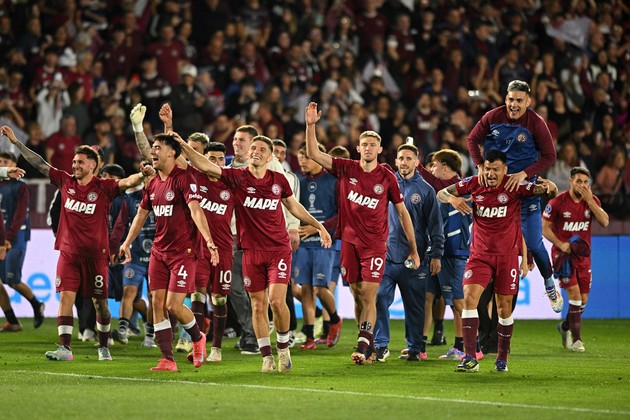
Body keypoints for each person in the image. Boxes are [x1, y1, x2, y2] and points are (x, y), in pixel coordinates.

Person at [175, 133, 332, 373]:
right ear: (248, 154)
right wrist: (182, 144)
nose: (257, 152)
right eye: (254, 148)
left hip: (278, 250)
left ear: (270, 157)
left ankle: (283, 348)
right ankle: (266, 356)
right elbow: (204, 165)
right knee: (258, 306)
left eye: (262, 149)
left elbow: (294, 206)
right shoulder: (237, 177)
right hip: (250, 251)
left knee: (276, 301)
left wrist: (319, 226)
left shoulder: (278, 180)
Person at [0, 125, 152, 362]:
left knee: (100, 304)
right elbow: (40, 163)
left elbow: (126, 181)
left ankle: (103, 346)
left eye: (80, 162)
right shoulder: (65, 181)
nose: (75, 165)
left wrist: (142, 175)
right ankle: (65, 348)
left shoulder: (104, 187)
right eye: (73, 161)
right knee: (66, 298)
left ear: (92, 165)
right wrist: (16, 142)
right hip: (69, 254)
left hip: (96, 256)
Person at [305, 102, 420, 365]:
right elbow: (313, 153)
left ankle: (363, 346)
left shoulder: (387, 177)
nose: (368, 148)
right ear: (358, 148)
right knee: (357, 294)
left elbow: (403, 213)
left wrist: (413, 248)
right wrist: (311, 125)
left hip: (375, 245)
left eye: (372, 145)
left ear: (380, 149)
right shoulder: (346, 168)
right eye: (364, 144)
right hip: (349, 243)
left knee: (369, 294)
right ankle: (368, 344)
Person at [437, 150, 558, 372]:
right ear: (481, 168)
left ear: (505, 170)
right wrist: (453, 199)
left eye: (495, 169)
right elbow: (441, 193)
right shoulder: (473, 183)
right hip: (479, 255)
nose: (490, 174)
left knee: (504, 309)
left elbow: (548, 191)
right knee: (469, 298)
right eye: (487, 169)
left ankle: (502, 357)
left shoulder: (515, 185)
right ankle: (470, 357)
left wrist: (552, 187)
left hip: (506, 257)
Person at [119, 133, 218, 372]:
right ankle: (167, 359)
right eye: (152, 147)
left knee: (174, 306)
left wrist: (209, 240)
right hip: (159, 252)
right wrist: (127, 242)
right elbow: (141, 215)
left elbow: (196, 210)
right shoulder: (153, 183)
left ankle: (198, 338)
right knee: (157, 303)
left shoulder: (184, 179)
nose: (152, 151)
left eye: (158, 148)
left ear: (172, 153)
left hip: (183, 252)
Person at [466, 80, 562, 313]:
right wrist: (480, 165)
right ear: (505, 99)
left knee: (534, 243)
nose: (514, 104)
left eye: (519, 100)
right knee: (481, 240)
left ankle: (549, 283)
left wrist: (524, 174)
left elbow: (549, 156)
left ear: (528, 101)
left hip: (523, 191)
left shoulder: (535, 123)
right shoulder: (492, 117)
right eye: (510, 99)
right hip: (495, 192)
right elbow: (472, 140)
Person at [374, 142, 444, 362]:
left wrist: (436, 254)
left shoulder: (426, 190)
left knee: (414, 305)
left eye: (408, 158)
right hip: (386, 256)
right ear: (396, 161)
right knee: (379, 298)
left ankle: (415, 347)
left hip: (414, 258)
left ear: (416, 162)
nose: (404, 162)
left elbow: (435, 226)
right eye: (401, 158)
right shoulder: (384, 184)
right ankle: (380, 345)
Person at [542, 167, 609, 352]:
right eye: (578, 181)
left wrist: (590, 201)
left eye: (585, 182)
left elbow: (605, 221)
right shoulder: (558, 202)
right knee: (574, 295)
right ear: (571, 181)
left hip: (583, 257)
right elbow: (544, 228)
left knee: (583, 300)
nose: (582, 185)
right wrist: (560, 243)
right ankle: (577, 340)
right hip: (563, 255)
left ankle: (565, 327)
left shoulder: (592, 201)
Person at [419, 149, 474, 360]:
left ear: (445, 167)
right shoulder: (441, 190)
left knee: (458, 303)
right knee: (427, 297)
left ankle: (462, 347)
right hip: (436, 251)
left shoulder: (465, 188)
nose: (432, 170)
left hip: (454, 252)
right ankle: (420, 346)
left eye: (434, 165)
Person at [294, 142, 343, 350]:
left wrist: (317, 228)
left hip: (324, 241)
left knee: (320, 288)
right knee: (306, 289)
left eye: (306, 157)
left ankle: (335, 319)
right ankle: (309, 336)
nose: (302, 161)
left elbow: (341, 214)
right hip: (303, 242)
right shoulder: (298, 182)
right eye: (300, 158)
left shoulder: (333, 181)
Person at [110, 160, 157, 347]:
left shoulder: (164, 196)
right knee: (128, 292)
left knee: (154, 296)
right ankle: (123, 330)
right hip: (135, 255)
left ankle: (150, 336)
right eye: (146, 174)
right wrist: (115, 247)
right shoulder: (130, 199)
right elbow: (120, 225)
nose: (149, 177)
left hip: (157, 256)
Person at [0, 152, 45, 328]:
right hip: (2, 238)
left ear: (14, 164)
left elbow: (20, 215)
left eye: (5, 161)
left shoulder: (21, 187)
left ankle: (36, 304)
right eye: (0, 162)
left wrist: (8, 238)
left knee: (12, 280)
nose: (2, 164)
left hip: (15, 239)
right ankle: (12, 321)